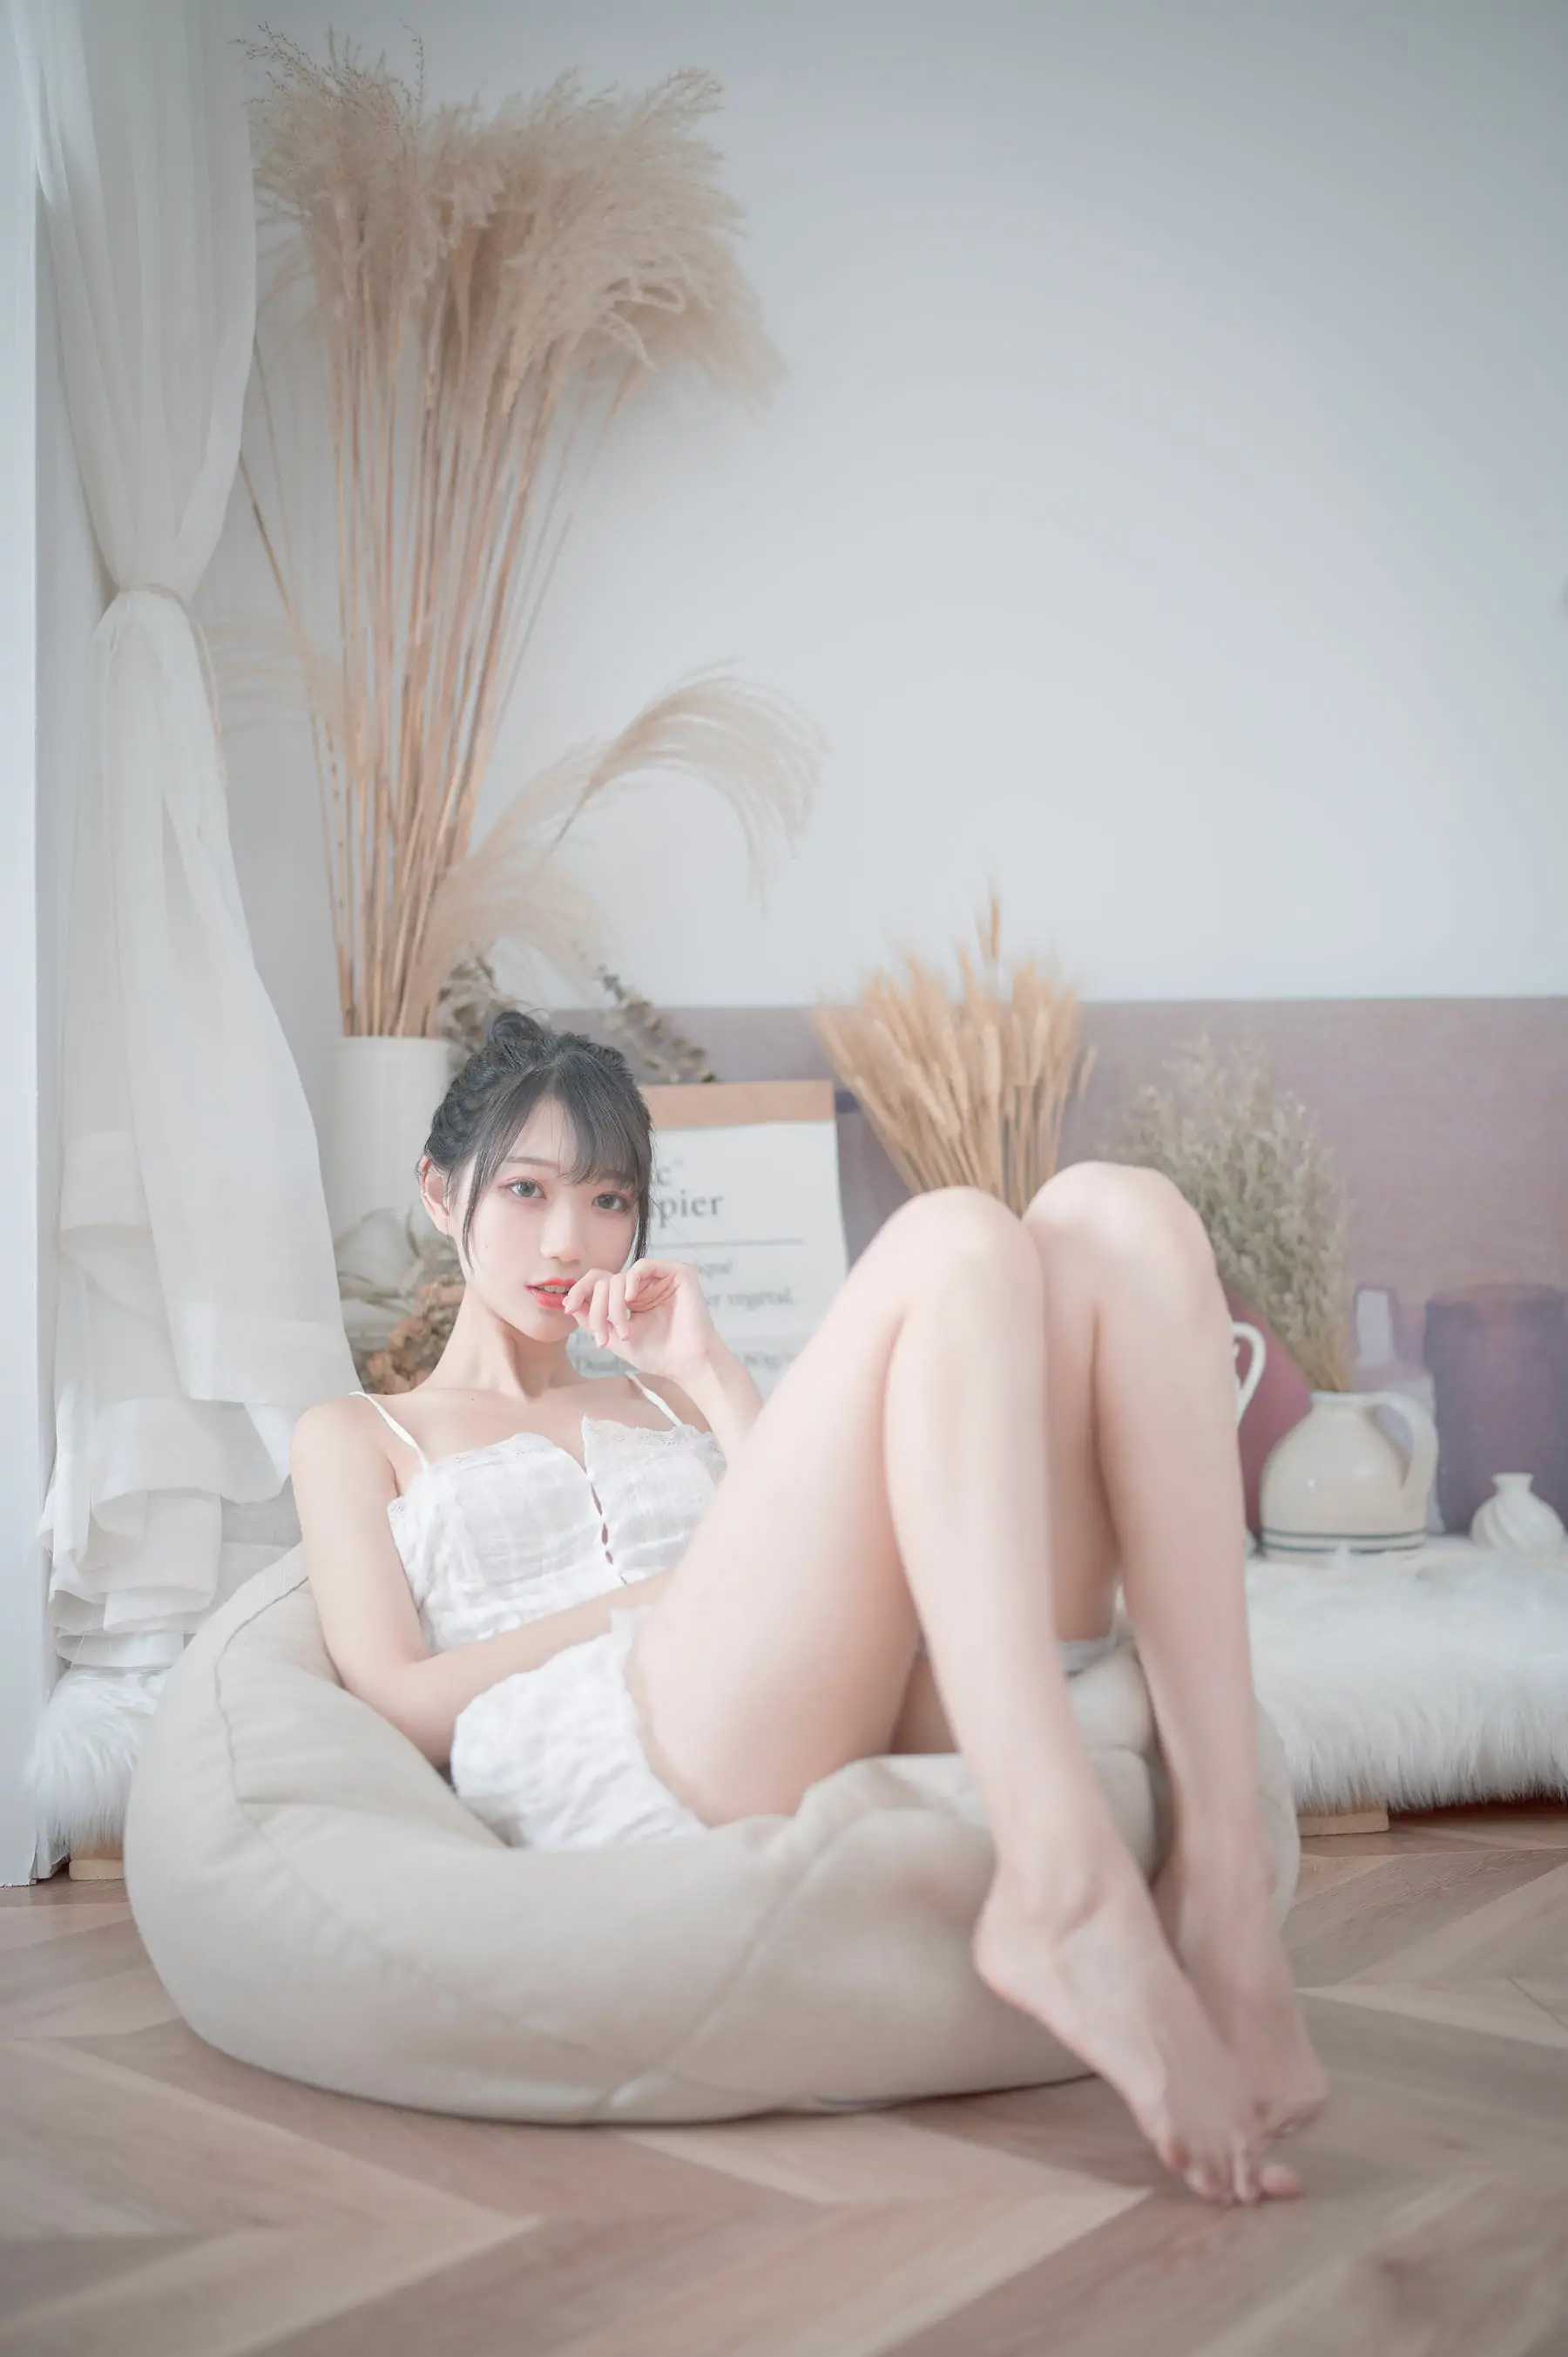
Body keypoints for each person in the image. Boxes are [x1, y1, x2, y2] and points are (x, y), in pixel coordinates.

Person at [291, 1007, 1327, 2206]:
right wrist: (661, 1592)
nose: (570, 1239)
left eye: (610, 1200)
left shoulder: (664, 1399)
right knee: (955, 1237)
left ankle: (1226, 1899)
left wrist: (707, 1369)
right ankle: (1064, 1888)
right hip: (618, 1744)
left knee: (1121, 1213)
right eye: (525, 1190)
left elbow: (831, 1535)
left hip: (832, 1687)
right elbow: (398, 1700)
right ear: (440, 1192)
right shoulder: (361, 1433)